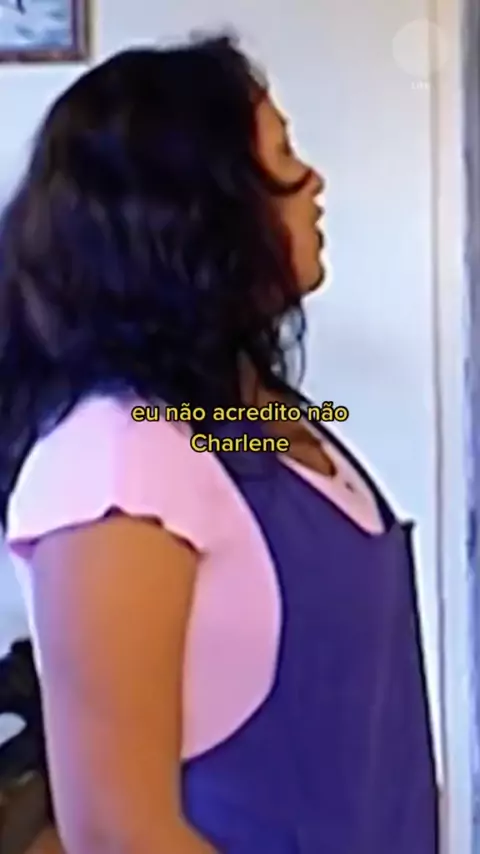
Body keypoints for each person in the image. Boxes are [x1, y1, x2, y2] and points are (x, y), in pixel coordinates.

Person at [0, 32, 439, 854]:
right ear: (198, 208)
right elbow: (123, 837)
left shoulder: (258, 418)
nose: (314, 182)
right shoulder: (115, 457)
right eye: (283, 157)